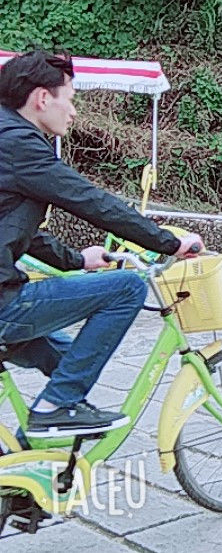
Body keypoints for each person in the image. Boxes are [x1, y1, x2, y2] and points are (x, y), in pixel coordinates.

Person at [0, 50, 204, 437]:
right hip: (4, 304)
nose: (73, 112)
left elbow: (14, 228)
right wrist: (168, 242)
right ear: (42, 98)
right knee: (127, 287)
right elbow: (93, 203)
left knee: (65, 360)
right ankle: (54, 408)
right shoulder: (21, 146)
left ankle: (30, 463)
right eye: (70, 99)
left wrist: (76, 260)